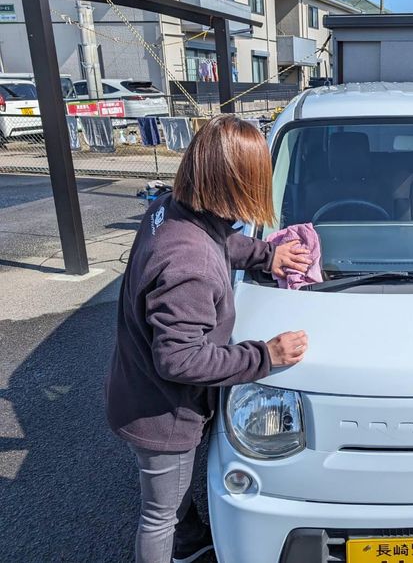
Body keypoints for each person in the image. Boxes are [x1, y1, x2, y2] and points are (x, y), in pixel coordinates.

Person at [105, 115, 312, 563]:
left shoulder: (169, 208)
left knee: (171, 495)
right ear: (237, 182)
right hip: (163, 413)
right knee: (158, 514)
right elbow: (178, 359)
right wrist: (265, 355)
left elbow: (219, 240)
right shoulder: (190, 264)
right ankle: (174, 547)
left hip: (139, 389)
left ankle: (189, 540)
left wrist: (266, 254)